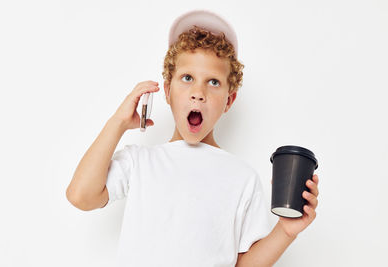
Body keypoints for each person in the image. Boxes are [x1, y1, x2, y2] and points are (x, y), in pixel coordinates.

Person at [66, 9, 320, 267]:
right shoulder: (140, 162)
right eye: (187, 78)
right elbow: (81, 195)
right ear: (167, 90)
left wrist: (285, 231)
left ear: (229, 101)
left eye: (213, 82)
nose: (198, 93)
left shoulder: (242, 178)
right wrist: (118, 122)